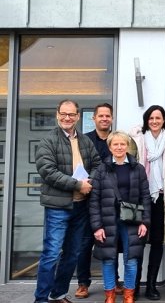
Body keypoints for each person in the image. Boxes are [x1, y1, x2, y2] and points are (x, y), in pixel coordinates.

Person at [33, 99, 102, 303]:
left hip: (80, 206)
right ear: (57, 114)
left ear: (78, 117)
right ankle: (41, 299)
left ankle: (58, 294)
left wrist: (91, 180)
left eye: (72, 114)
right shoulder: (49, 141)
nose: (67, 118)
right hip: (58, 206)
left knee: (72, 254)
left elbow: (97, 164)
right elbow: (47, 171)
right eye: (64, 113)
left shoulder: (84, 140)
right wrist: (76, 184)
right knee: (52, 254)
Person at [89, 131, 152, 303]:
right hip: (107, 220)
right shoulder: (101, 170)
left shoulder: (137, 168)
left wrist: (144, 222)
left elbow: (145, 197)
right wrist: (97, 226)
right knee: (108, 259)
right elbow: (94, 200)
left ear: (127, 146)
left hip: (132, 219)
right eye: (115, 144)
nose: (119, 147)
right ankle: (109, 295)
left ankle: (128, 295)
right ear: (109, 147)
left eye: (122, 144)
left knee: (131, 259)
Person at [128, 105, 165, 300]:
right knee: (138, 242)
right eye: (151, 118)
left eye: (158, 118)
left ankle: (151, 285)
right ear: (146, 120)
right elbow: (130, 165)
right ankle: (133, 286)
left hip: (162, 196)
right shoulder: (137, 138)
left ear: (164, 120)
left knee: (158, 241)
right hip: (141, 197)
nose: (154, 121)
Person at [76, 103, 115, 299]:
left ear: (112, 118)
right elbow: (80, 167)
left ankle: (113, 282)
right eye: (101, 116)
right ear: (94, 118)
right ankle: (83, 283)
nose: (104, 119)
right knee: (85, 242)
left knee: (111, 243)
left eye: (108, 116)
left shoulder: (117, 140)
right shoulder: (84, 140)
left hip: (110, 201)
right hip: (87, 198)